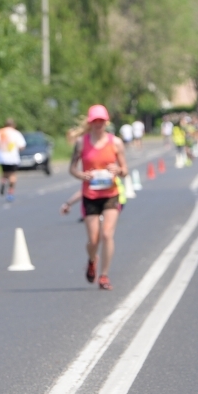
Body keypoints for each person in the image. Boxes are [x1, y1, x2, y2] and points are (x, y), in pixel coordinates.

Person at [69, 104, 128, 290]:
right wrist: (82, 175)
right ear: (90, 122)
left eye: (101, 121)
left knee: (107, 234)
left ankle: (104, 276)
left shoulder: (116, 143)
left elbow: (125, 170)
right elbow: (72, 168)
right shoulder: (81, 143)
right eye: (95, 121)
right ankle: (92, 259)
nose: (98, 124)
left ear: (106, 122)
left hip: (111, 194)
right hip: (90, 195)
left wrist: (117, 170)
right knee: (93, 239)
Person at [0, 118, 26, 202]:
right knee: (12, 175)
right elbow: (22, 146)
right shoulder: (16, 133)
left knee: (4, 172)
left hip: (2, 157)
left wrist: (0, 147)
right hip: (13, 157)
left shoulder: (0, 132)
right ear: (13, 125)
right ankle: (10, 193)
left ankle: (3, 181)